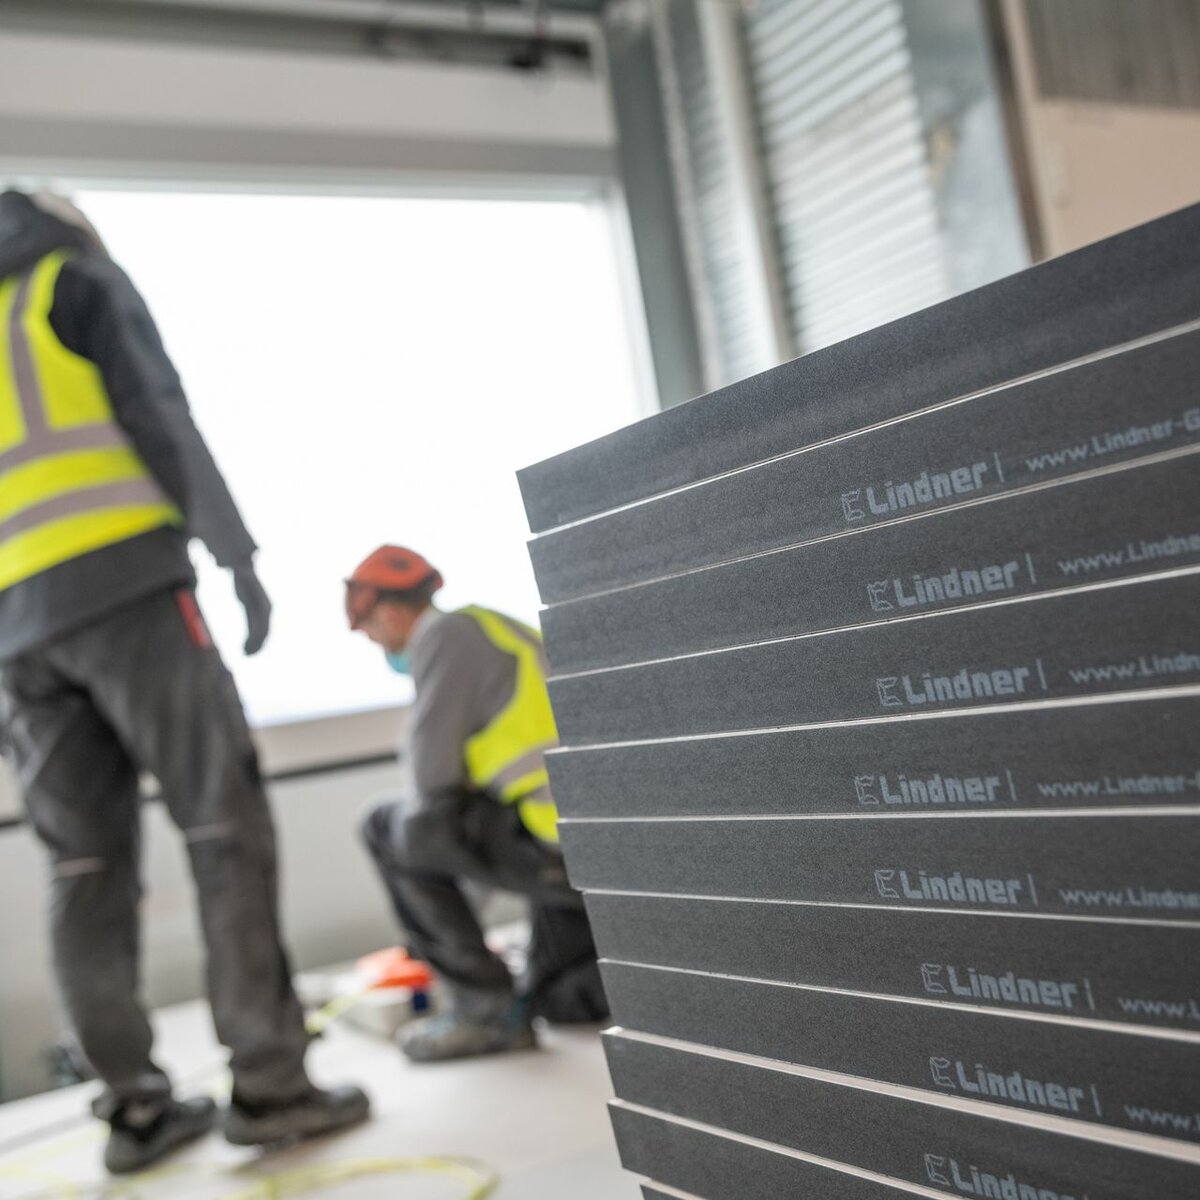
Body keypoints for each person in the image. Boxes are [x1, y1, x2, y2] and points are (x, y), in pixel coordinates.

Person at [0, 191, 368, 1173]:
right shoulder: (67, 281)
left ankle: (137, 1112)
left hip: (14, 636)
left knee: (82, 869)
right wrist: (235, 551)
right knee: (220, 824)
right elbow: (159, 414)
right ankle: (272, 1087)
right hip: (126, 587)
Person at [350, 545, 607, 1062]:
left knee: (385, 824)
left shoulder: (443, 636)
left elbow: (432, 784)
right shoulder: (494, 629)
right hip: (586, 839)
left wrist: (443, 926)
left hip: (553, 839)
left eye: (371, 631)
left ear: (393, 612)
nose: (376, 644)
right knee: (556, 1000)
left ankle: (482, 1012)